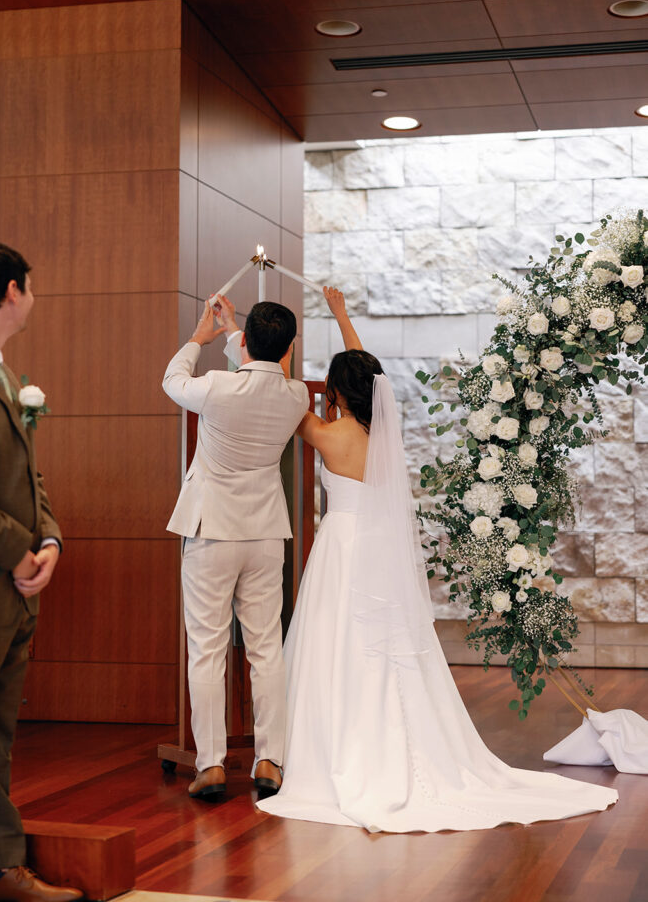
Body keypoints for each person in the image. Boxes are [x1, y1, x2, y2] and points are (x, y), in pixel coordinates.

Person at [258, 288, 618, 833]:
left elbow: (283, 395)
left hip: (341, 547)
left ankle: (329, 745)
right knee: (385, 645)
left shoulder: (325, 435)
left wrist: (279, 353)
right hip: (377, 548)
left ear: (334, 391)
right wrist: (342, 317)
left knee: (335, 643)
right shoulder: (382, 430)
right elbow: (369, 378)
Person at [0, 240, 83, 901]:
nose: (33, 297)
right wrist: (18, 553)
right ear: (12, 290)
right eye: (30, 287)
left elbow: (26, 476)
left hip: (10, 590)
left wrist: (51, 541)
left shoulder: (4, 373)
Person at [162, 296, 309, 800]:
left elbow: (173, 381)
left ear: (245, 343)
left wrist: (201, 337)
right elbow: (262, 371)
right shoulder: (296, 398)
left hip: (212, 531)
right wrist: (233, 333)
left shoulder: (218, 387)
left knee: (208, 649)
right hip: (266, 533)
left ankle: (212, 765)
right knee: (267, 648)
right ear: (290, 347)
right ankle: (270, 761)